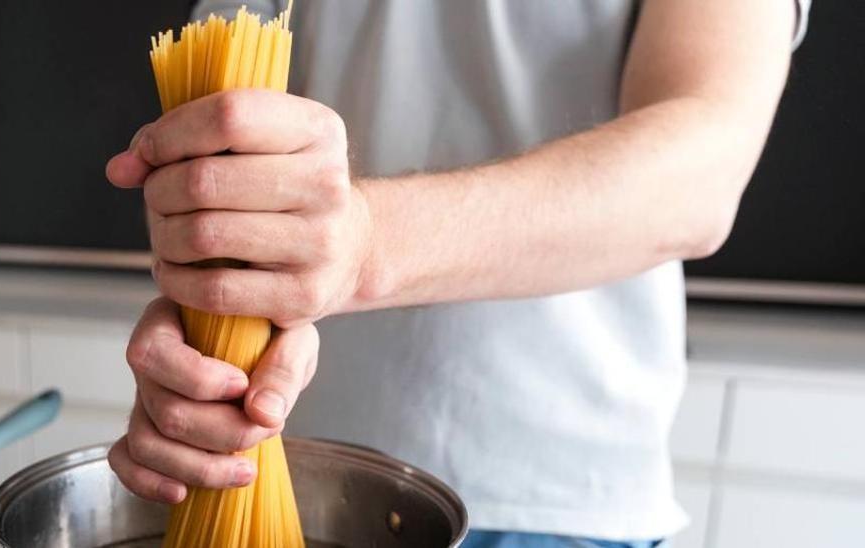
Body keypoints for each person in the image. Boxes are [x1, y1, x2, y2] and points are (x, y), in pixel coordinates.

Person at [104, 0, 810, 546]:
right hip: (291, 478)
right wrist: (209, 310)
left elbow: (701, 173)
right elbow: (212, 146)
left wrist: (366, 247)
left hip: (558, 503)